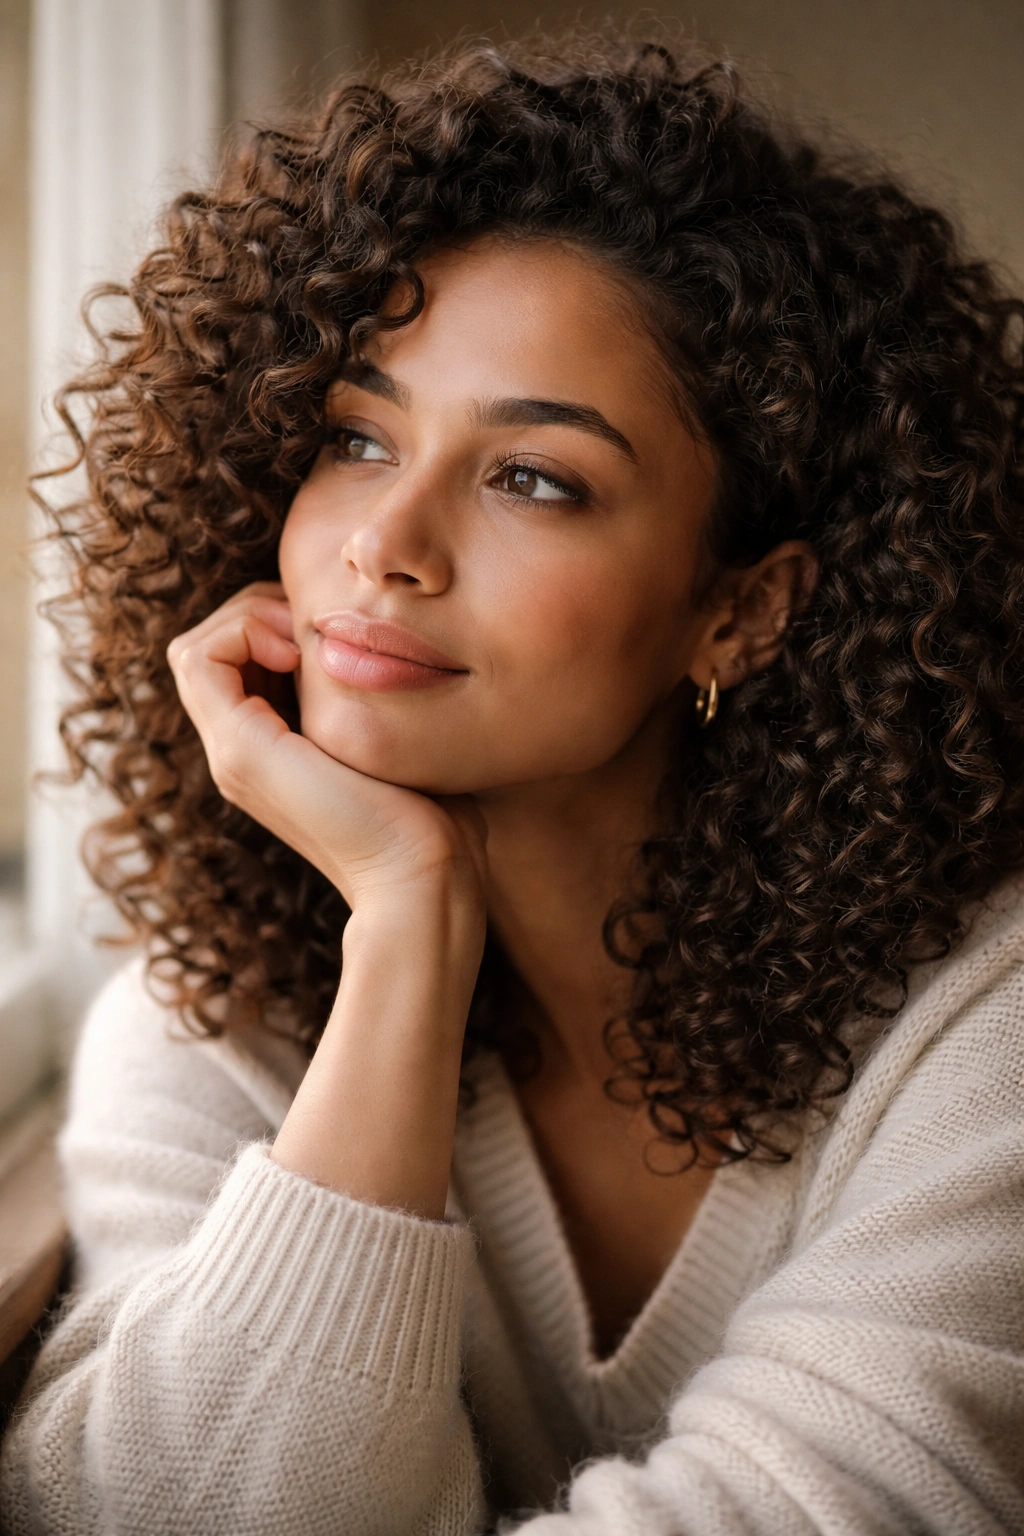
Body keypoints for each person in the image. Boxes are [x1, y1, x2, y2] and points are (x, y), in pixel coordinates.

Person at [3, 30, 1023, 1536]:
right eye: (355, 437)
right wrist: (407, 932)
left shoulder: (982, 1035)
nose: (385, 545)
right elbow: (152, 1508)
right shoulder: (215, 1004)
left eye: (532, 477)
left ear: (741, 609)